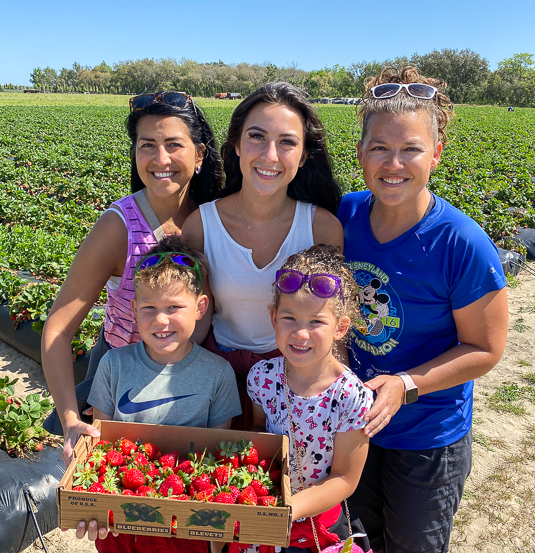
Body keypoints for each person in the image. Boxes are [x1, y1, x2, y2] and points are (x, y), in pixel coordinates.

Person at [339, 67, 509, 553]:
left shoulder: (462, 243)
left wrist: (406, 384)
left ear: (435, 152)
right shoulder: (343, 216)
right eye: (379, 147)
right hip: (352, 425)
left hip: (427, 437)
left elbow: (485, 348)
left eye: (411, 148)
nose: (393, 163)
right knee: (356, 542)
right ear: (360, 152)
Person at [42, 91, 223, 464]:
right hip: (121, 382)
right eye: (147, 145)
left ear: (200, 155)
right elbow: (58, 329)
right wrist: (71, 419)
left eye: (174, 144)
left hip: (196, 376)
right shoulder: (119, 227)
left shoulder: (217, 218)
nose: (161, 159)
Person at [182, 82, 344, 429]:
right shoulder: (200, 225)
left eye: (287, 142)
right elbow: (198, 317)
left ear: (303, 157)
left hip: (293, 376)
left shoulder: (322, 228)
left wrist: (339, 391)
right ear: (237, 145)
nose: (270, 155)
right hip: (218, 374)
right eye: (257, 136)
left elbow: (330, 315)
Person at [73, 237, 241, 553]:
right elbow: (100, 447)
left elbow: (218, 458)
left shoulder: (218, 374)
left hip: (186, 524)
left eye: (174, 307)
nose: (161, 320)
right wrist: (90, 501)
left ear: (200, 307)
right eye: (149, 307)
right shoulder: (114, 365)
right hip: (121, 518)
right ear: (134, 309)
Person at [237, 245, 371, 553]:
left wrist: (289, 509)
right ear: (274, 318)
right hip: (266, 512)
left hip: (317, 526)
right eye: (290, 318)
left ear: (340, 328)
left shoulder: (351, 395)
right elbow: (259, 430)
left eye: (316, 322)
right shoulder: (262, 377)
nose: (300, 333)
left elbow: (344, 479)